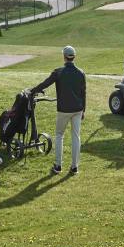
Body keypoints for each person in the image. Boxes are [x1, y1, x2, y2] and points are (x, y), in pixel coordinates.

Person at [30, 45, 85, 176]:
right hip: (78, 109)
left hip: (64, 110)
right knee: (76, 137)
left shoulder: (58, 72)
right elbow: (84, 93)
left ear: (64, 57)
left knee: (59, 135)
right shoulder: (81, 73)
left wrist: (32, 91)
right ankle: (74, 167)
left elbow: (45, 83)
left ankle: (58, 166)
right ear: (74, 57)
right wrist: (84, 110)